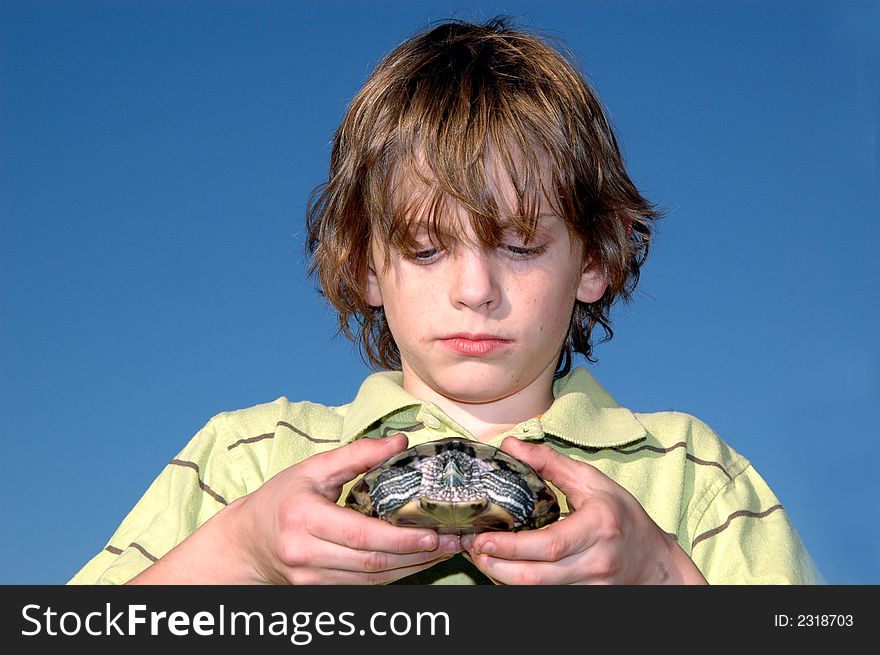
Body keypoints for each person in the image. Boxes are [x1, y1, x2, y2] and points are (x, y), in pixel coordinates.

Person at [69, 18, 821, 585]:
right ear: (366, 264)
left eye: (521, 245)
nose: (473, 290)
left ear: (594, 256)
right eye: (426, 249)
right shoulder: (244, 460)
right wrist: (242, 549)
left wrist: (660, 573)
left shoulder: (696, 475)